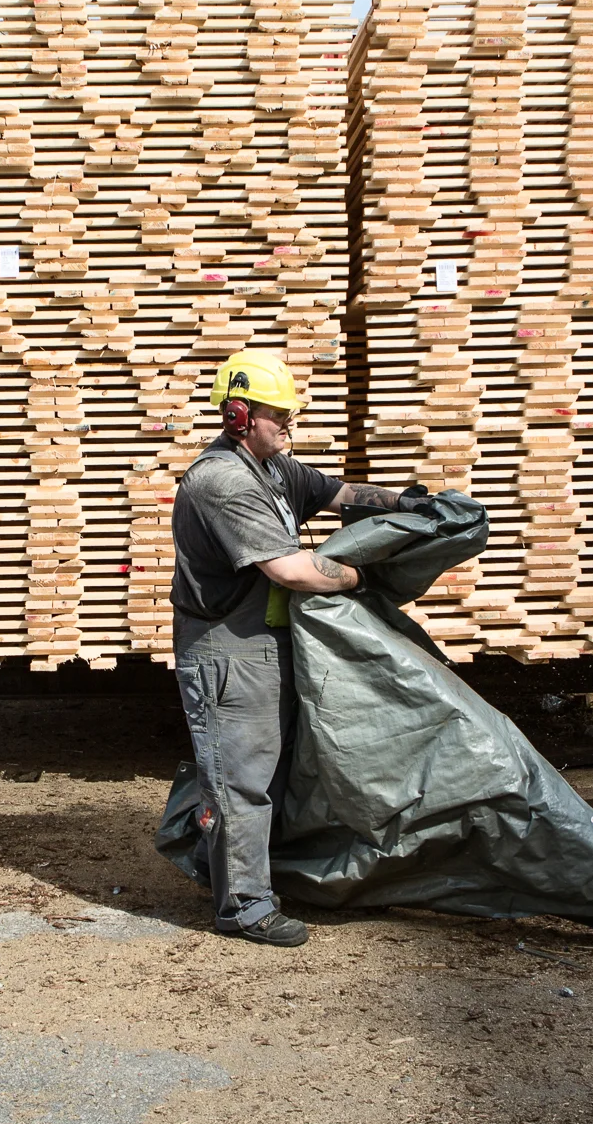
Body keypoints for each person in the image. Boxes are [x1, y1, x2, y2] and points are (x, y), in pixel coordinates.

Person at [168, 348, 418, 946]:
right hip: (227, 650)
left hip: (268, 641)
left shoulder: (274, 467)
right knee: (243, 780)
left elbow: (338, 492)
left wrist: (409, 505)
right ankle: (244, 906)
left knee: (272, 773)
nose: (289, 424)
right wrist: (367, 578)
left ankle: (223, 868)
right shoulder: (223, 481)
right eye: (278, 414)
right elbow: (291, 571)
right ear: (238, 414)